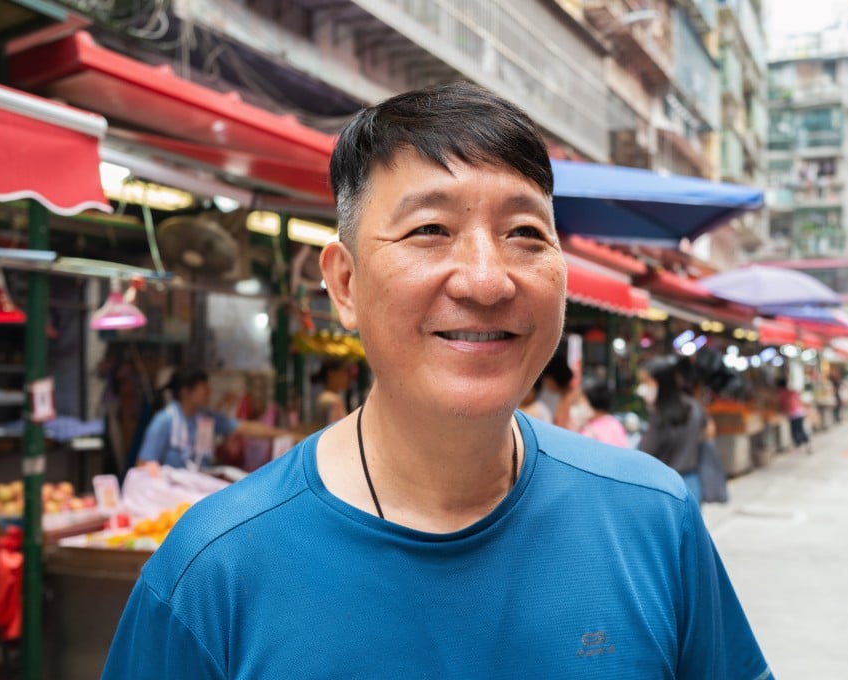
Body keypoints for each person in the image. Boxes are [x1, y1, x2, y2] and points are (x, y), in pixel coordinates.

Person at [102, 82, 771, 679]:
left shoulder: (652, 518)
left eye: (524, 233)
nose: (486, 279)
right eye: (430, 229)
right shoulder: (213, 572)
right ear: (345, 283)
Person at [136, 366, 290, 471]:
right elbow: (143, 465)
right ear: (185, 393)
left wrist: (285, 434)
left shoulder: (206, 417)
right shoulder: (164, 421)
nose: (209, 392)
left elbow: (245, 428)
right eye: (204, 389)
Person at [637, 356, 712, 504]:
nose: (643, 387)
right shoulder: (694, 406)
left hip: (664, 486)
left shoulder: (660, 416)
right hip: (692, 483)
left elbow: (645, 454)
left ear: (661, 382)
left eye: (646, 382)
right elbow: (709, 431)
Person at [578, 377, 629, 447]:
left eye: (582, 401)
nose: (580, 405)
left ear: (592, 403)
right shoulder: (616, 424)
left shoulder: (590, 431)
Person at [776, 376, 812, 454]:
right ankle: (805, 445)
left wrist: (783, 411)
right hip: (800, 412)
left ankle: (800, 446)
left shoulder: (782, 393)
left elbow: (783, 404)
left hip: (794, 414)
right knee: (800, 430)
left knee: (796, 431)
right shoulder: (791, 392)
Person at [311, 359, 351, 428]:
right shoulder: (332, 400)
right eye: (344, 372)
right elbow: (338, 430)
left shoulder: (328, 397)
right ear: (331, 374)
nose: (347, 376)